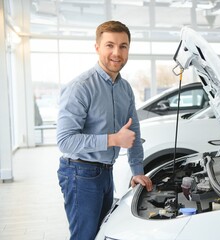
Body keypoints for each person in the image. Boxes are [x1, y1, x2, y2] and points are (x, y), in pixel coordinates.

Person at [56, 20, 153, 240]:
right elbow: (65, 141)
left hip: (105, 172)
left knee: (102, 234)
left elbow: (133, 131)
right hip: (79, 173)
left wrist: (137, 170)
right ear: (97, 47)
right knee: (85, 236)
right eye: (110, 45)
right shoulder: (80, 87)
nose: (116, 53)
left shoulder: (124, 88)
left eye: (123, 46)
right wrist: (113, 140)